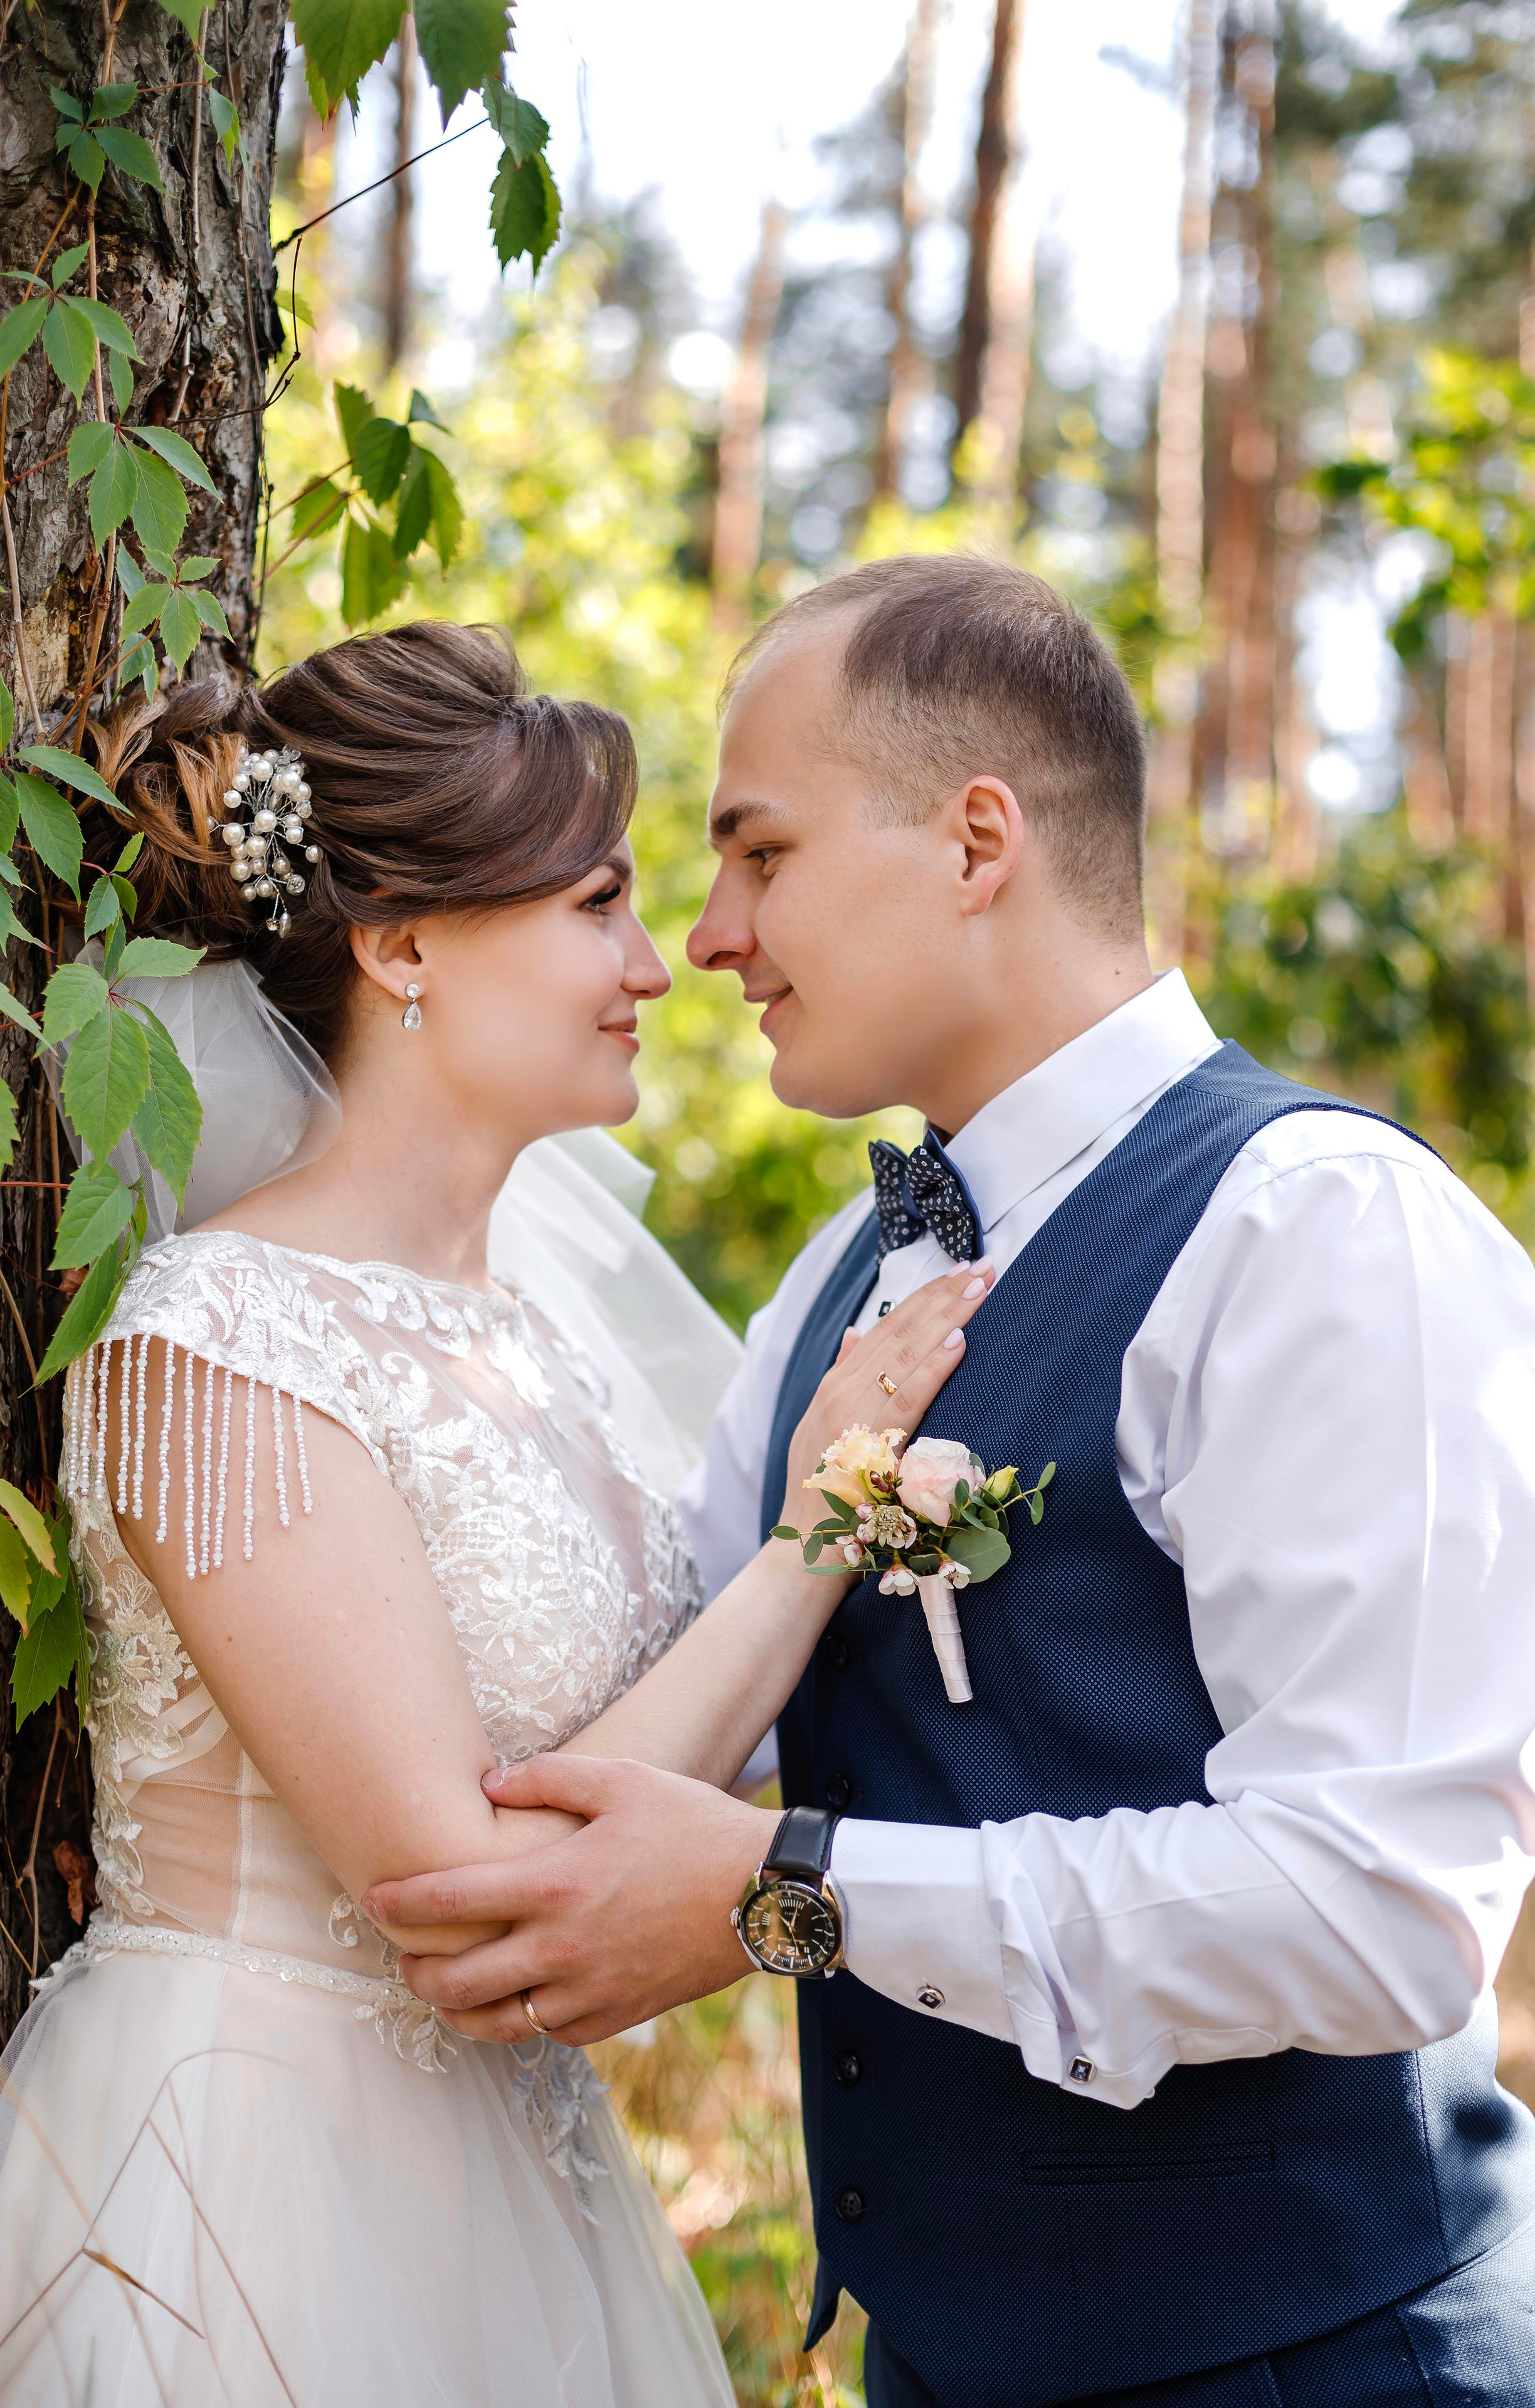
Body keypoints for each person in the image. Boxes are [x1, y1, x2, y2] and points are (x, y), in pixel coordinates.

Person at [370, 556, 1535, 2407]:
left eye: (761, 853)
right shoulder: (841, 1284)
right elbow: (688, 1714)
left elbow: (1381, 1902)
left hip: (1322, 2358)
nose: (715, 934)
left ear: (977, 841)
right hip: (938, 2359)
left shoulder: (1320, 1233)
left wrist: (793, 1895)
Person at [0, 620, 996, 2406]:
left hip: (519, 2180)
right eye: (599, 904)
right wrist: (829, 1530)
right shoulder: (217, 1339)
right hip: (248, 2186)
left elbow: (664, 1775)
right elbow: (466, 1894)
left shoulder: (545, 1344)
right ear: (406, 943)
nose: (660, 967)